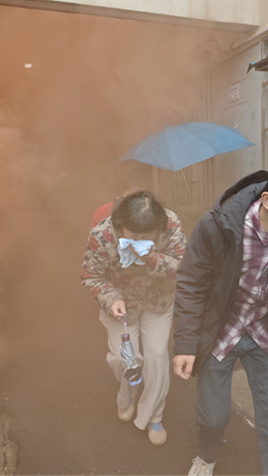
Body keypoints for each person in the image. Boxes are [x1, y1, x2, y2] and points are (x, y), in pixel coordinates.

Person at [173, 159, 268, 475]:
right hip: (221, 330)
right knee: (213, 417)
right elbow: (191, 284)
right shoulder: (219, 226)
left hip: (264, 332)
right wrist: (185, 344)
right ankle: (207, 454)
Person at [81, 190, 186, 446]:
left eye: (146, 236)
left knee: (157, 357)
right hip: (122, 304)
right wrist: (111, 299)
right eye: (133, 236)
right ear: (120, 227)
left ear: (158, 227)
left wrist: (153, 258)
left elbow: (182, 262)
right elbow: (91, 276)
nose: (139, 240)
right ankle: (127, 393)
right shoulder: (102, 235)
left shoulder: (171, 224)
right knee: (125, 358)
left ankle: (154, 415)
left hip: (158, 300)